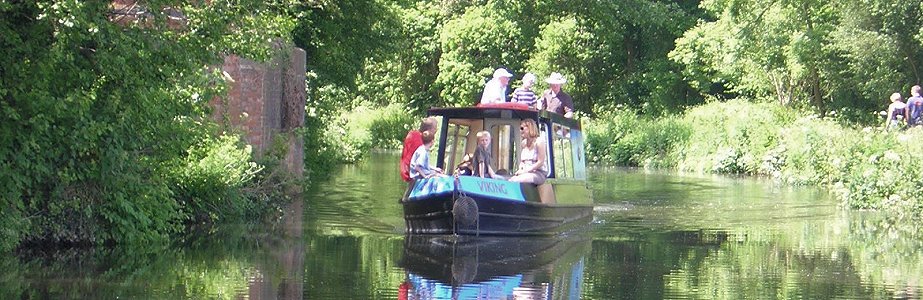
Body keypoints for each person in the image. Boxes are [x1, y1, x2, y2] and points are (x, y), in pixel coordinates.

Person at [509, 119, 547, 185]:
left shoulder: (539, 142)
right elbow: (522, 161)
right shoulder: (523, 143)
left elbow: (540, 162)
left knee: (517, 180)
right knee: (511, 180)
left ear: (530, 128)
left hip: (538, 173)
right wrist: (520, 169)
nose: (520, 131)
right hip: (525, 172)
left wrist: (526, 170)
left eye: (522, 128)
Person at [401, 117, 438, 182]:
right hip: (413, 174)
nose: (436, 130)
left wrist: (434, 168)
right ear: (428, 130)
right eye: (435, 128)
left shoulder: (413, 134)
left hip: (407, 171)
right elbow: (417, 164)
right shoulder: (420, 141)